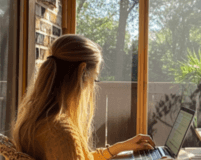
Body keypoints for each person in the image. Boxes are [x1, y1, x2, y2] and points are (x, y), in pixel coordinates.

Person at [12, 35, 156, 160]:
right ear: (82, 71)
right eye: (94, 79)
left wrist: (119, 147)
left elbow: (80, 156)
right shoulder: (61, 132)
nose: (92, 87)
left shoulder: (40, 121)